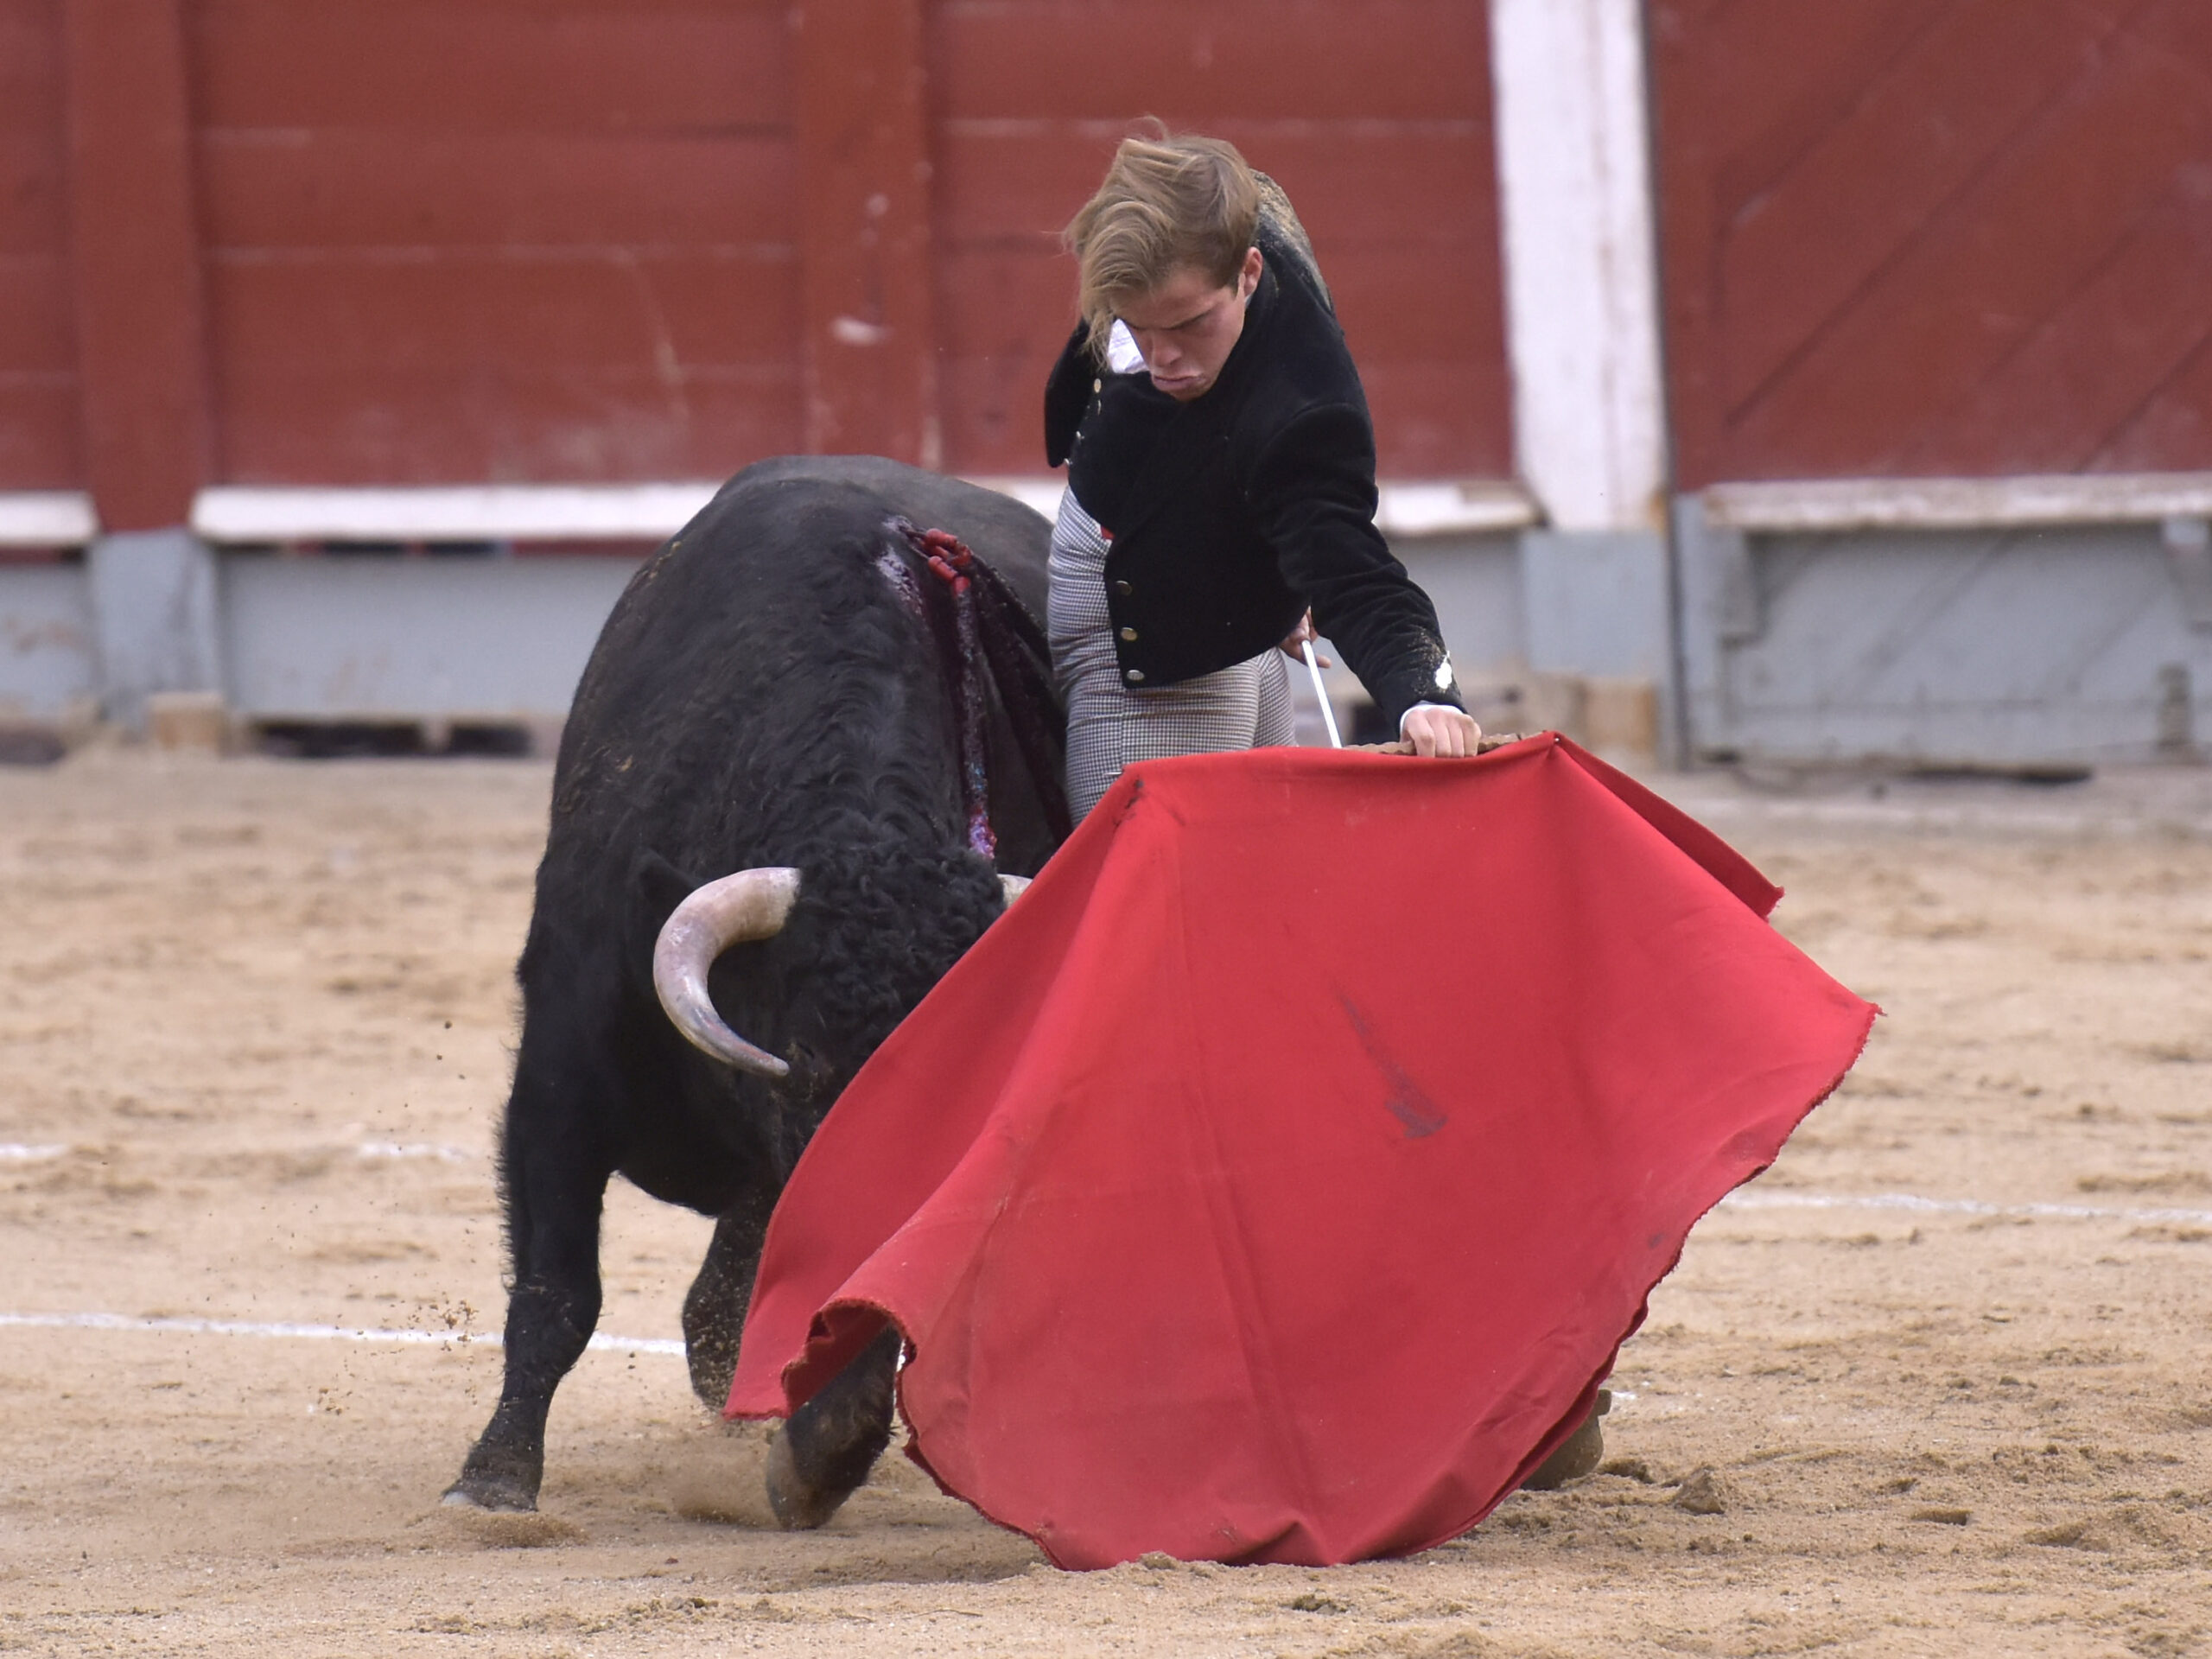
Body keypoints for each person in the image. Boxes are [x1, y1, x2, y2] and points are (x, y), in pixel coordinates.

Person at [1043, 133, 1481, 820]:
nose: (1164, 360)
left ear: (1249, 274)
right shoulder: (1200, 220)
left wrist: (1423, 693)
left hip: (1188, 595)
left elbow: (1352, 572)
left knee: (1191, 883)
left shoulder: (1302, 407)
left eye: (1190, 324)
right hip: (1128, 581)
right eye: (1137, 328)